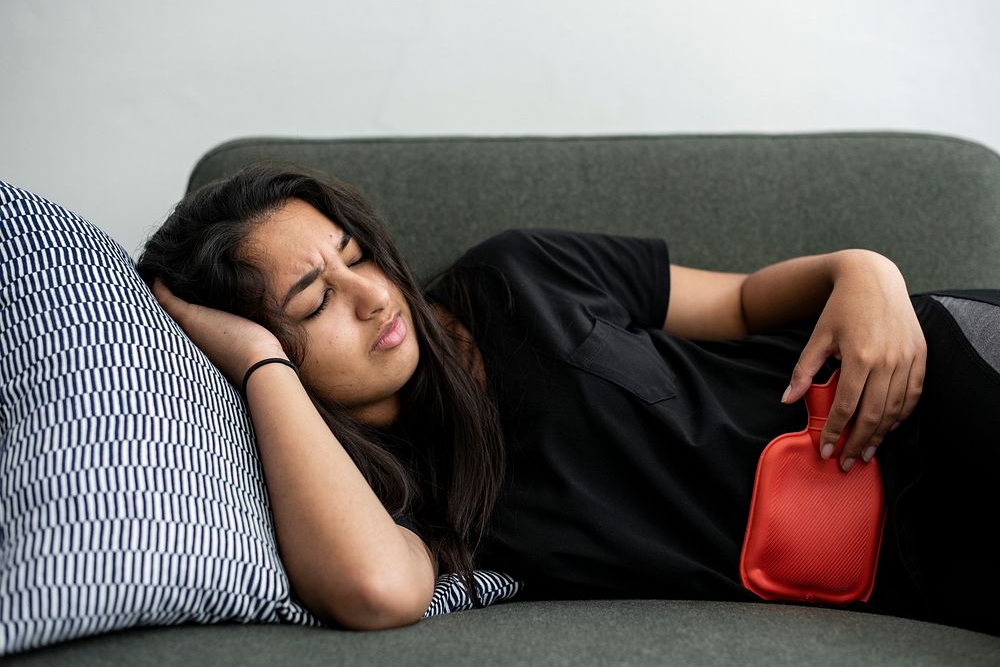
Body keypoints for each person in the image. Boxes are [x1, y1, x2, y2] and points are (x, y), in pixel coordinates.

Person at [137, 164, 1000, 636]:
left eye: (355, 254)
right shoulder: (391, 494)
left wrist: (866, 270)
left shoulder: (517, 274)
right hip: (906, 564)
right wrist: (256, 363)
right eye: (313, 302)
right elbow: (379, 591)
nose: (370, 297)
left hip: (933, 385)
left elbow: (739, 304)